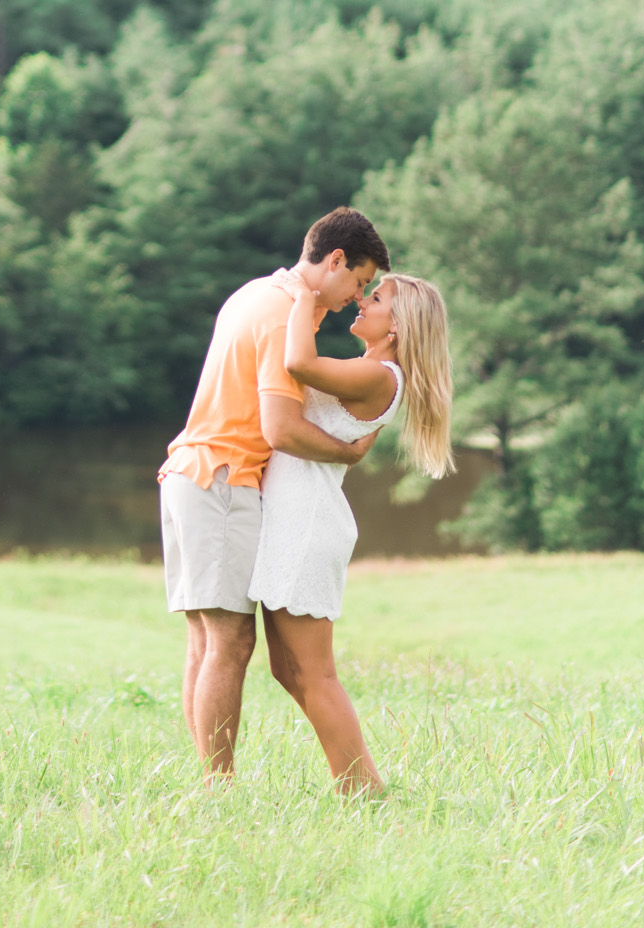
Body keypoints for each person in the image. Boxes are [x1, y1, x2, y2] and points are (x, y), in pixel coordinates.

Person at [158, 207, 391, 776]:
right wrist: (348, 453)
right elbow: (280, 429)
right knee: (231, 644)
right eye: (358, 282)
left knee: (206, 641)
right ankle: (218, 787)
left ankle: (209, 784)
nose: (352, 299)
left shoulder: (254, 292)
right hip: (224, 477)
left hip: (191, 471)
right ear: (335, 260)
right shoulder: (287, 313)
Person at [250, 269, 455, 793]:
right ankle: (358, 782)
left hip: (307, 522)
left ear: (397, 326)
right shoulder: (370, 370)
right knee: (287, 669)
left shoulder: (380, 375)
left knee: (313, 673)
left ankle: (363, 787)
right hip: (295, 517)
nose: (363, 300)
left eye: (377, 298)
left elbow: (297, 362)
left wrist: (300, 295)